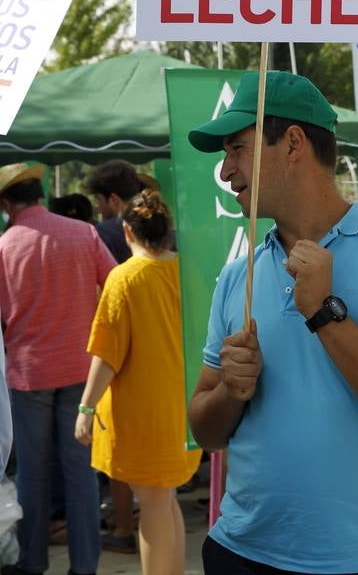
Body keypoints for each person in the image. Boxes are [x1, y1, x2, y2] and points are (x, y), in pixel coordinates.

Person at [187, 71, 358, 575]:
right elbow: (205, 430)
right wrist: (230, 390)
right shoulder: (236, 277)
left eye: (237, 148)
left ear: (292, 143)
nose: (226, 172)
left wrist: (325, 314)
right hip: (241, 553)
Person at [75, 190, 200, 575]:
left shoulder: (124, 278)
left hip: (143, 414)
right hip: (183, 408)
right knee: (165, 501)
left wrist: (86, 407)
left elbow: (107, 354)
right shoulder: (186, 271)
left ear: (127, 230)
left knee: (154, 505)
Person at [0, 162, 116, 575]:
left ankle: (32, 562)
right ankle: (84, 566)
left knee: (32, 472)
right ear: (42, 197)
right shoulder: (84, 233)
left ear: (8, 204)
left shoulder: (5, 245)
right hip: (82, 370)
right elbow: (115, 287)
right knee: (81, 472)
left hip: (28, 374)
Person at [83, 159, 150, 553]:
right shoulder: (166, 230)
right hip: (162, 346)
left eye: (100, 201)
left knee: (122, 445)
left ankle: (124, 527)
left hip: (121, 349)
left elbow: (101, 299)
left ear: (112, 199)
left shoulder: (105, 232)